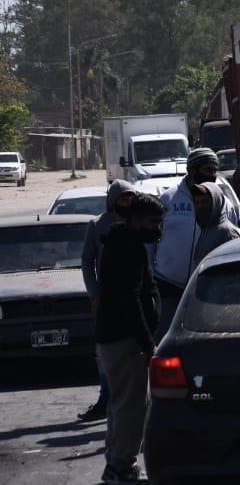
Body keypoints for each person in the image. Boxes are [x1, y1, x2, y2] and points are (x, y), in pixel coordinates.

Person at [95, 193, 164, 484]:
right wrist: (147, 342)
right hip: (125, 340)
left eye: (160, 223)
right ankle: (120, 467)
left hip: (118, 337)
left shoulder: (123, 242)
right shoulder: (129, 248)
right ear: (134, 220)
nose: (157, 228)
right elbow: (131, 299)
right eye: (151, 222)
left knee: (121, 404)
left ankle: (118, 462)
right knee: (131, 407)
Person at [154, 149, 240, 337]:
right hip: (169, 284)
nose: (211, 175)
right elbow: (151, 239)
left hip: (205, 289)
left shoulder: (225, 203)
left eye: (214, 171)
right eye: (207, 169)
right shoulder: (169, 198)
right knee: (165, 337)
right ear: (192, 170)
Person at [78, 180, 138, 421]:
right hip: (106, 299)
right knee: (104, 352)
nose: (128, 203)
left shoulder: (138, 223)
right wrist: (94, 293)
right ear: (113, 200)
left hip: (134, 297)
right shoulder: (97, 225)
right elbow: (86, 262)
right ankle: (106, 399)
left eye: (131, 198)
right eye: (123, 198)